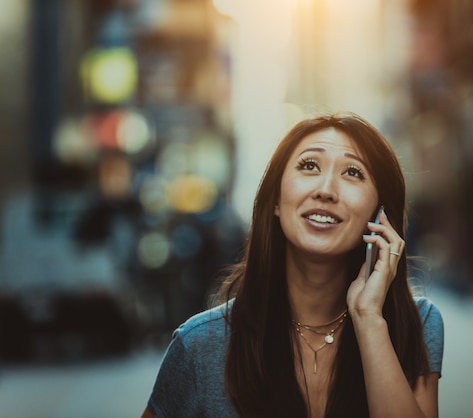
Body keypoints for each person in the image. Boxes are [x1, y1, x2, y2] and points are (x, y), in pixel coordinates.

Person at [142, 113, 444, 418]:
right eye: (309, 166)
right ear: (276, 199)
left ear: (380, 216)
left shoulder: (416, 324)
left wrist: (369, 319)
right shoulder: (199, 346)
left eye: (352, 172)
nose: (326, 190)